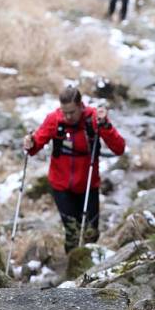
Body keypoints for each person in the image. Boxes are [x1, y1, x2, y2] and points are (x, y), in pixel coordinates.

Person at [23, 85, 125, 253]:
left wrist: (106, 125)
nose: (68, 116)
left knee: (91, 234)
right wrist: (30, 142)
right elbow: (34, 148)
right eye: (65, 112)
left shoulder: (94, 119)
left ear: (80, 106)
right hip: (61, 187)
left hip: (88, 185)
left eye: (72, 112)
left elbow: (119, 148)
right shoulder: (54, 120)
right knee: (73, 232)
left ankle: (90, 267)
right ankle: (72, 268)